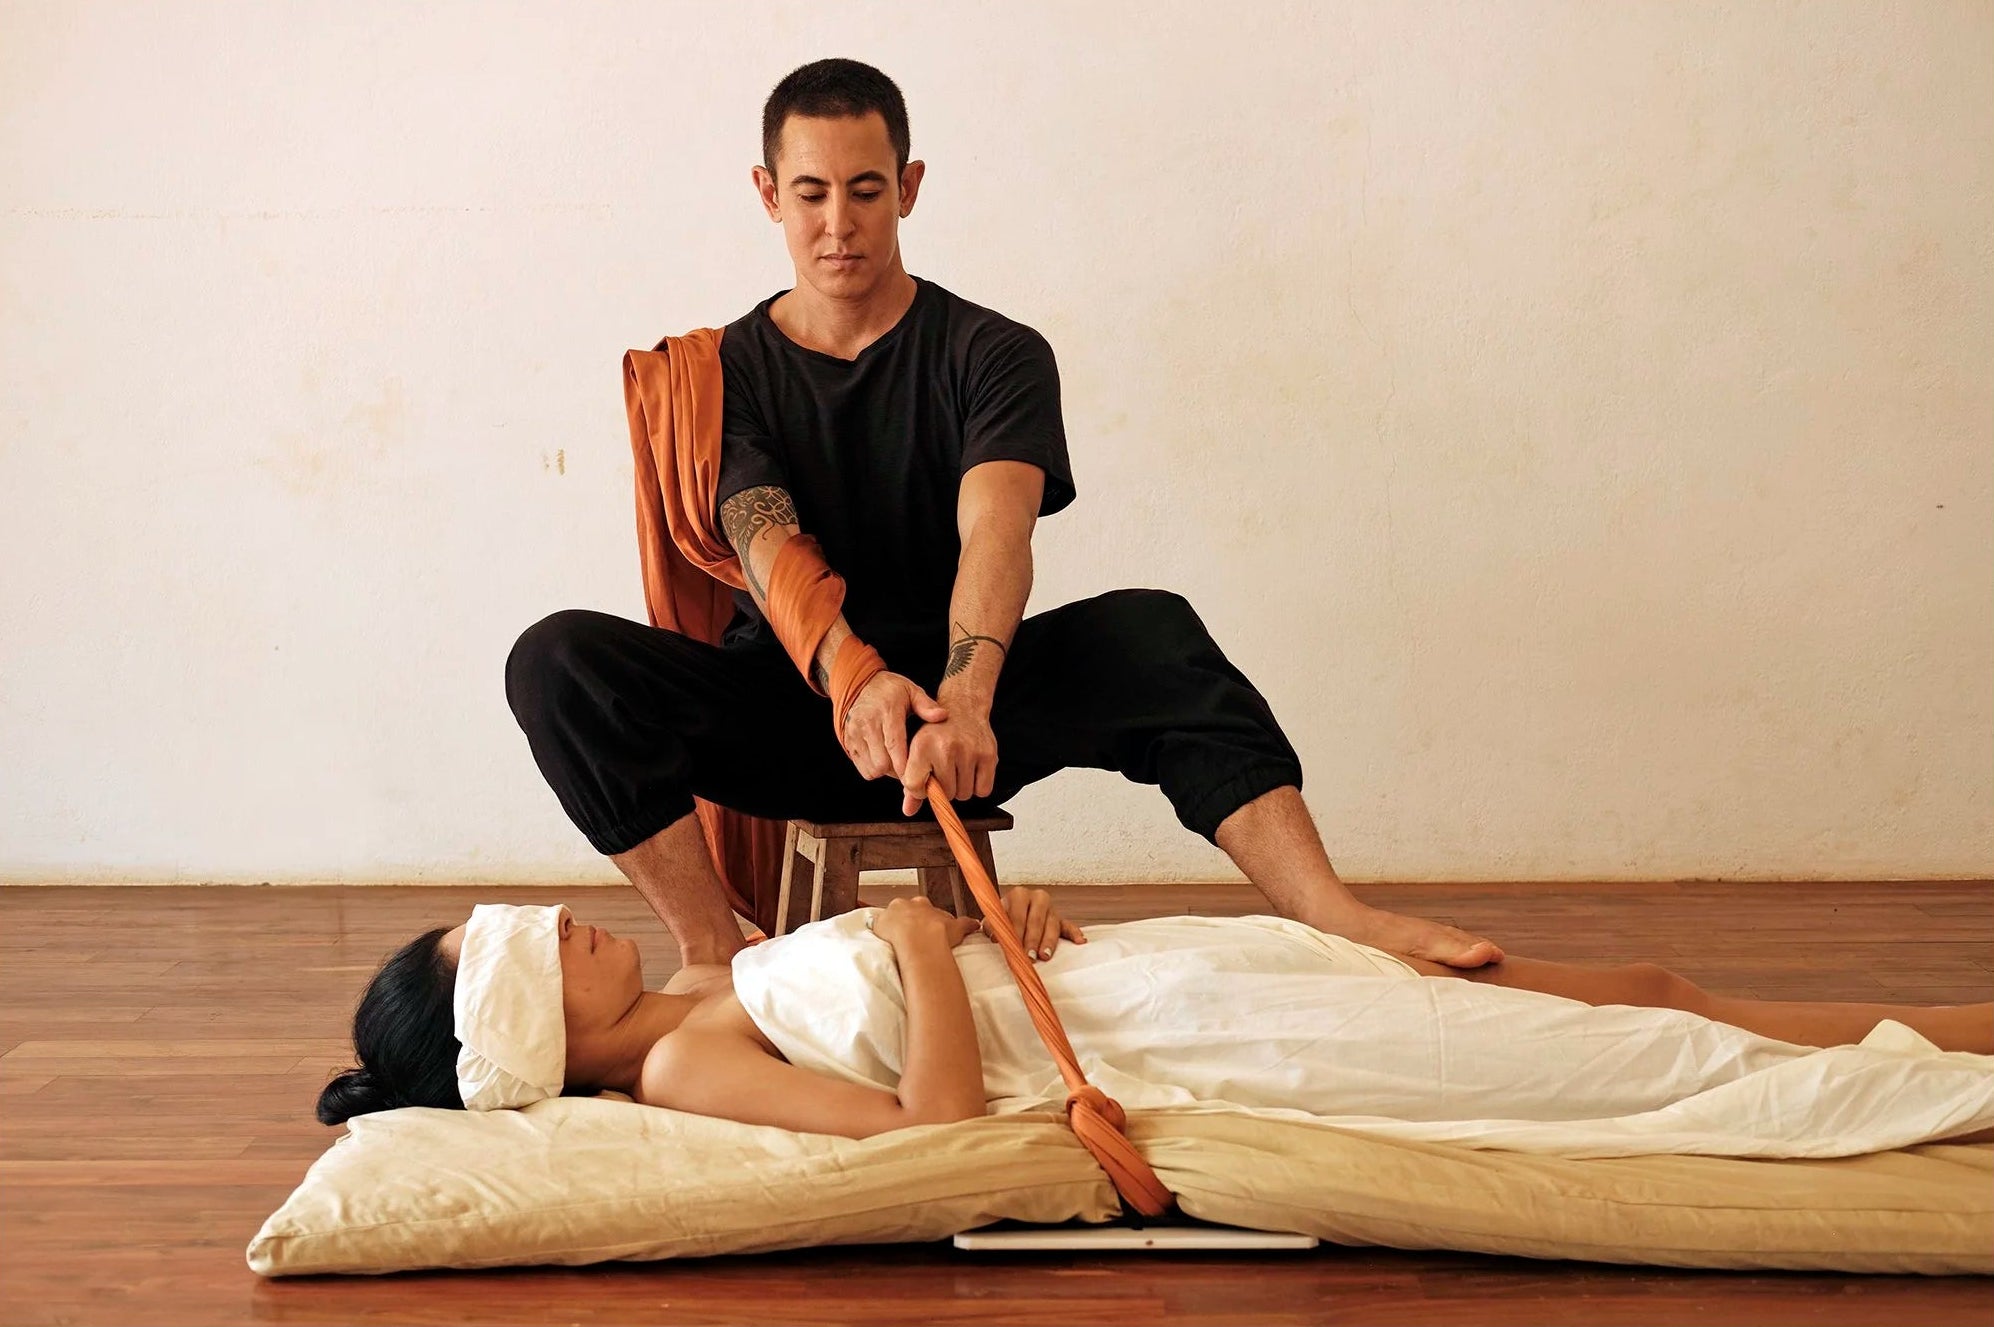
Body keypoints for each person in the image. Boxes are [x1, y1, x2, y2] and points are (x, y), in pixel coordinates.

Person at [503, 56, 1504, 979]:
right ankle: (713, 952)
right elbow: (765, 543)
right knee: (556, 662)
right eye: (809, 194)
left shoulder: (993, 352)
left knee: (1152, 631)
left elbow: (997, 531)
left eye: (865, 190)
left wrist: (968, 695)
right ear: (768, 194)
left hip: (960, 714)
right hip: (801, 706)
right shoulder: (719, 374)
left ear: (910, 185)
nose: (838, 224)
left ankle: (1327, 908)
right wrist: (854, 684)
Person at [318, 894, 1994, 1151]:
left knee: (1635, 987)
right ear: (524, 1019)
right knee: (1640, 1052)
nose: (572, 922)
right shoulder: (687, 1061)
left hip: (1160, 968)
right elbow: (929, 1134)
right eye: (529, 946)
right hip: (1173, 1048)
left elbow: (927, 981)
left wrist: (973, 926)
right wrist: (916, 935)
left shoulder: (702, 984)